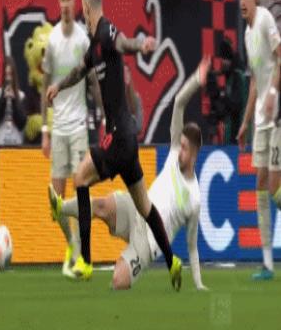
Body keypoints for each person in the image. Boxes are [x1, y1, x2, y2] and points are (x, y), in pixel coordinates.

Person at [46, 0, 181, 289]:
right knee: (144, 206)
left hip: (119, 134)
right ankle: (172, 260)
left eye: (81, 9)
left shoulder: (106, 31)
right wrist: (58, 86)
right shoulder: (94, 45)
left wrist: (140, 44)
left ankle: (86, 260)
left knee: (80, 177)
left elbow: (123, 43)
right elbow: (79, 71)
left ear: (86, 7)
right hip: (128, 140)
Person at [51, 58, 211, 291]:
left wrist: (199, 284)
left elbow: (192, 247)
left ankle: (127, 261)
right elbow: (178, 103)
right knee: (101, 205)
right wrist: (197, 78)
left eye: (185, 148)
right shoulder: (174, 153)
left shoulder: (194, 198)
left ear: (195, 153)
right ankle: (60, 207)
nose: (180, 150)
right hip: (138, 210)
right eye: (181, 145)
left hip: (149, 242)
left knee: (119, 281)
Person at [41, 0, 101, 278]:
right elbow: (45, 85)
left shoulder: (82, 39)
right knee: (55, 202)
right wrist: (44, 129)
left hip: (78, 125)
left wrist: (102, 118)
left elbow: (93, 80)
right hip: (58, 127)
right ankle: (73, 242)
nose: (65, 4)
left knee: (81, 191)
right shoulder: (52, 40)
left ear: (75, 2)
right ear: (58, 3)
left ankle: (83, 256)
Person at [236, 0, 281, 281]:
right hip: (261, 119)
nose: (242, 1)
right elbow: (254, 81)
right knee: (261, 186)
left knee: (274, 186)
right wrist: (244, 121)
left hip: (277, 114)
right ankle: (267, 264)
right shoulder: (247, 34)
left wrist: (274, 93)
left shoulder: (265, 19)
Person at [0, 56, 26, 146]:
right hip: (0, 143)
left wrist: (14, 101)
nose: (8, 78)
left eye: (10, 74)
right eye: (6, 75)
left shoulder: (21, 96)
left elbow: (22, 124)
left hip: (16, 143)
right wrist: (3, 100)